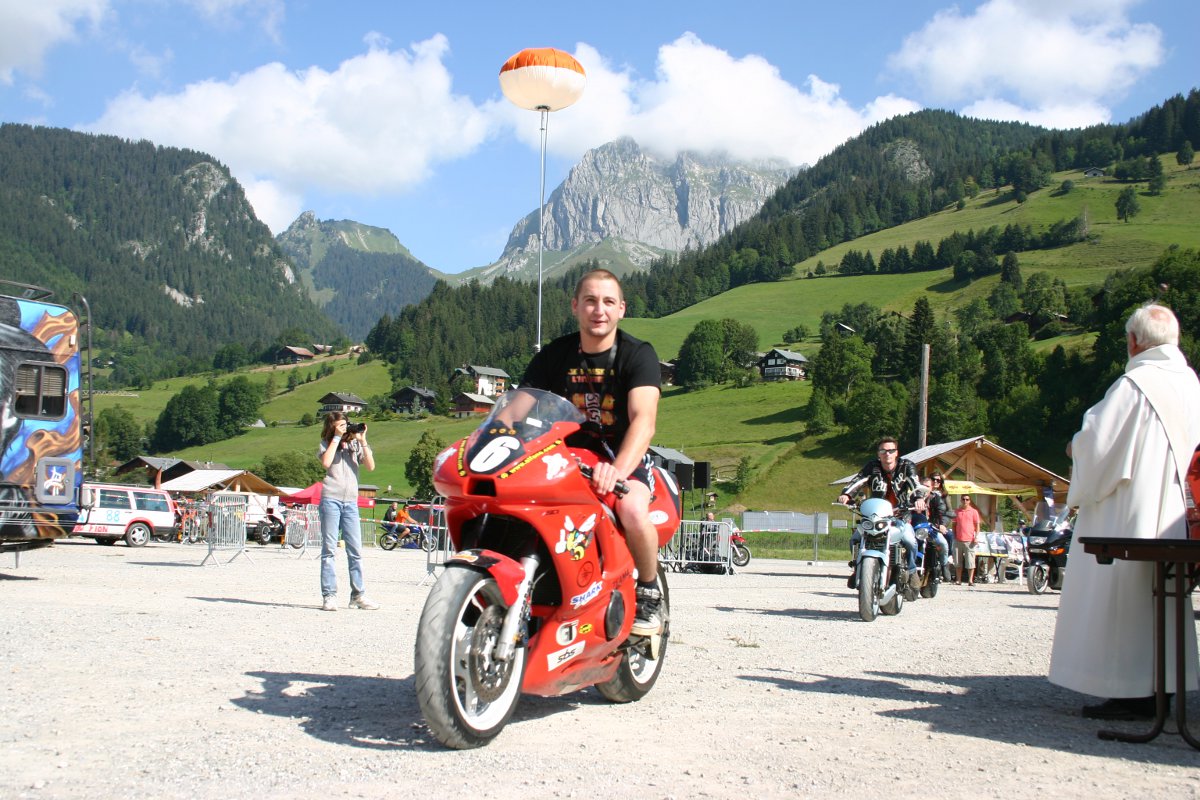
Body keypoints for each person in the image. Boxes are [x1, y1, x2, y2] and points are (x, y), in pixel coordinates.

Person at [1049, 303, 1200, 720]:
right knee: (1163, 599)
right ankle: (1164, 685)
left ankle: (1131, 692)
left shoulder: (1135, 385)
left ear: (1133, 341)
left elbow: (1097, 445)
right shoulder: (1192, 384)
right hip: (1176, 512)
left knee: (1125, 597)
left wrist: (1074, 449)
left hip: (1132, 511)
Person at [521, 268, 664, 636]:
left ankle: (650, 591)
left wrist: (618, 471)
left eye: (608, 302)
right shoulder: (554, 355)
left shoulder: (638, 354)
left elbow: (644, 421)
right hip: (564, 458)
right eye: (590, 301)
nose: (599, 310)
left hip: (622, 457)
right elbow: (517, 410)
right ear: (575, 306)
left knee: (632, 509)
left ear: (621, 309)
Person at [837, 436, 926, 587]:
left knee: (910, 541)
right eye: (883, 451)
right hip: (875, 516)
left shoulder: (906, 466)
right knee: (855, 539)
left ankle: (912, 571)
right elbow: (859, 480)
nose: (887, 454)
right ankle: (858, 568)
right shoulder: (872, 466)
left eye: (891, 450)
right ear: (878, 453)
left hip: (899, 515)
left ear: (896, 452)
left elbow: (914, 481)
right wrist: (846, 494)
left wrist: (918, 498)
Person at [317, 413, 379, 611]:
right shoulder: (326, 444)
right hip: (331, 500)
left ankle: (358, 596)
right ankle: (329, 596)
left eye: (346, 424)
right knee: (329, 550)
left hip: (351, 502)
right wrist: (337, 437)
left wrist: (362, 441)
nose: (345, 428)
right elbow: (326, 463)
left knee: (355, 550)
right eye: (341, 425)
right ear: (332, 427)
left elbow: (370, 466)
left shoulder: (353, 445)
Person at [952, 495, 981, 586]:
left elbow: (977, 526)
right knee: (957, 561)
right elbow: (954, 525)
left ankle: (970, 580)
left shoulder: (974, 511)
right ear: (961, 500)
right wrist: (954, 536)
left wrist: (976, 537)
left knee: (970, 561)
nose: (965, 501)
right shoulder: (957, 511)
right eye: (963, 499)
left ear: (969, 501)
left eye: (967, 499)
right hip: (958, 539)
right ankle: (958, 580)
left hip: (970, 540)